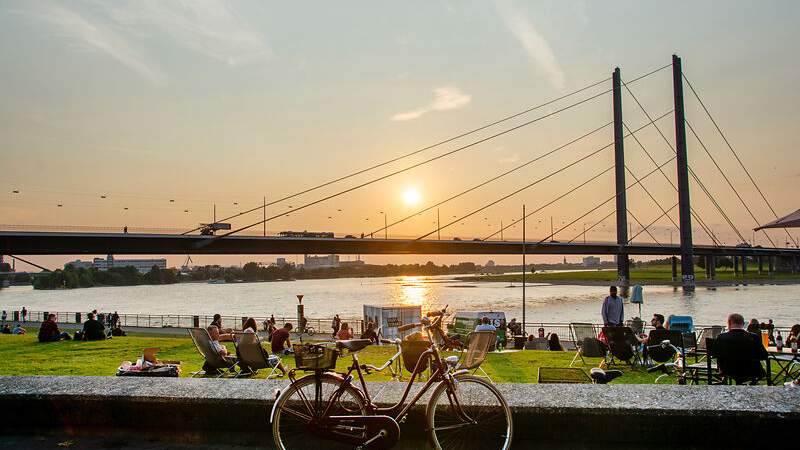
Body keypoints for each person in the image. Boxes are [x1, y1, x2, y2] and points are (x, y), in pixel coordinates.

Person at [711, 313, 768, 385]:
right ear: (743, 324)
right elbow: (763, 355)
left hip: (728, 370)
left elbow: (715, 354)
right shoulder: (753, 337)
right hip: (751, 370)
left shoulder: (721, 337)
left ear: (728, 323)